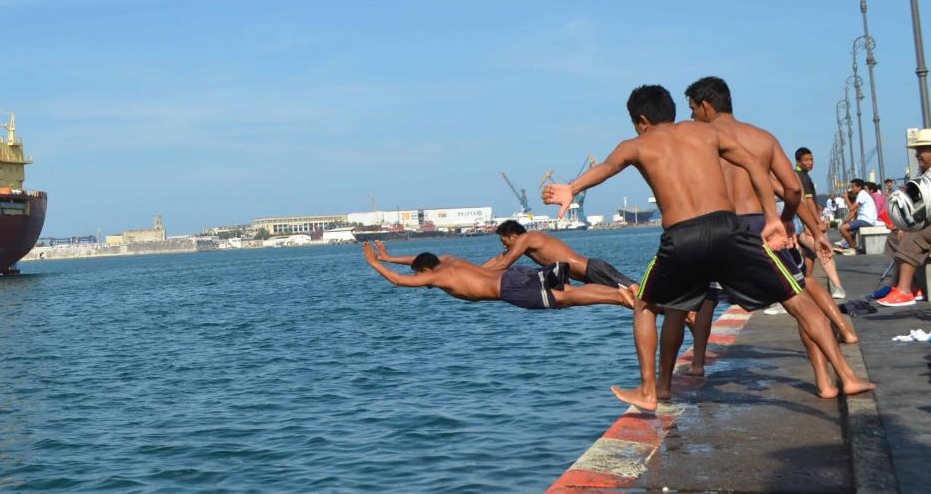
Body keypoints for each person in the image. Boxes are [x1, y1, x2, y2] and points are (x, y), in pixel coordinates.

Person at [542, 84, 874, 411]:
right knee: (797, 298)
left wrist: (572, 189)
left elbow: (606, 168)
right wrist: (772, 218)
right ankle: (847, 376)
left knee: (646, 304)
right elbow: (754, 166)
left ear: (641, 120)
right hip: (728, 228)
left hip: (681, 237)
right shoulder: (705, 133)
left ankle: (650, 390)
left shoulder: (637, 145)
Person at [656, 79, 856, 397]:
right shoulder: (761, 138)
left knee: (681, 307)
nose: (691, 116)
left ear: (706, 105)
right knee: (800, 299)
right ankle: (826, 380)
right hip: (759, 225)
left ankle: (667, 383)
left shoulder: (698, 140)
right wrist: (794, 224)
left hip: (715, 229)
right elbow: (790, 190)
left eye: (693, 109)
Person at [363, 242, 634, 308]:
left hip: (510, 289)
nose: (423, 283)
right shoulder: (448, 260)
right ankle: (622, 294)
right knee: (569, 293)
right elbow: (420, 257)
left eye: (421, 277)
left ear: (424, 272)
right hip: (514, 275)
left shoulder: (436, 276)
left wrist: (376, 263)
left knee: (568, 298)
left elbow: (400, 280)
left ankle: (621, 299)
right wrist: (390, 257)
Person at [480, 220, 638, 291]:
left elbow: (504, 264)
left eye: (504, 241)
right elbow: (499, 259)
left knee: (637, 292)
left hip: (593, 269)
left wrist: (477, 278)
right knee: (631, 297)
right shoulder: (525, 244)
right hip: (588, 276)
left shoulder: (526, 239)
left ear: (514, 236)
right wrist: (474, 270)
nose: (503, 245)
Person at [881, 129, 931, 307]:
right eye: (917, 150)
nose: (917, 154)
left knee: (914, 236)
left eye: (922, 150)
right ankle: (909, 286)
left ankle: (904, 290)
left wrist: (911, 227)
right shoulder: (926, 174)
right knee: (894, 236)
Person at [795, 147, 848, 299]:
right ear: (798, 161)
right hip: (802, 222)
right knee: (822, 249)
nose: (810, 163)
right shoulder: (801, 176)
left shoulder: (802, 175)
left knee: (810, 255)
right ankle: (837, 286)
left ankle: (806, 287)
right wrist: (816, 223)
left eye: (811, 159)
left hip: (801, 222)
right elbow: (808, 200)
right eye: (806, 160)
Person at [838, 179, 876, 254]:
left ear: (859, 187)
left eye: (853, 187)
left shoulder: (862, 194)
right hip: (863, 220)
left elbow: (852, 208)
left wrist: (846, 197)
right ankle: (854, 246)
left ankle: (853, 248)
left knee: (842, 228)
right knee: (850, 233)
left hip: (866, 220)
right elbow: (853, 211)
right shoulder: (861, 194)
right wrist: (847, 220)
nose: (851, 189)